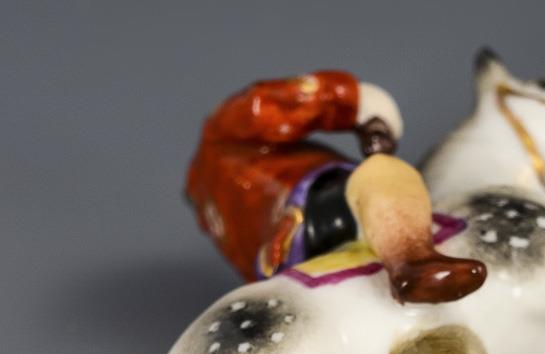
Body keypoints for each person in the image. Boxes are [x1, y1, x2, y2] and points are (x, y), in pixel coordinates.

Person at [185, 70, 486, 303]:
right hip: (313, 201)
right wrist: (362, 110)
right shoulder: (220, 133)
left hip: (282, 265)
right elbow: (271, 102)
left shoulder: (204, 204)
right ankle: (414, 263)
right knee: (381, 172)